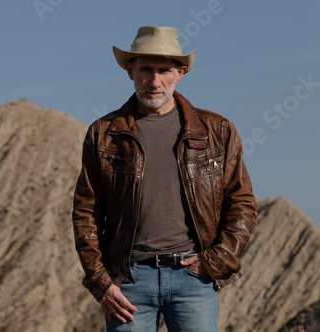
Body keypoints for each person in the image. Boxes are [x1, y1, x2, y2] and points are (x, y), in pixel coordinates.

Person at [72, 26, 257, 332]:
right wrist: (101, 282)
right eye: (146, 70)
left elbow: (242, 203)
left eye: (163, 70)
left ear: (180, 72)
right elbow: (86, 211)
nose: (154, 81)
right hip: (128, 281)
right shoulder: (103, 134)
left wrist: (216, 260)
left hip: (194, 279)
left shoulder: (217, 131)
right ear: (130, 71)